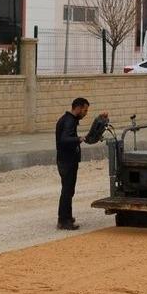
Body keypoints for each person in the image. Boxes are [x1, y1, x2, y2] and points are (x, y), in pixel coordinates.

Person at [55, 97, 90, 230]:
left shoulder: (68, 119)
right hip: (67, 160)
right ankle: (63, 220)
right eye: (85, 110)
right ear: (78, 108)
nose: (85, 113)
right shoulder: (69, 121)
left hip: (66, 160)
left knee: (68, 190)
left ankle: (66, 216)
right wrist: (79, 139)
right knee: (67, 190)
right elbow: (64, 139)